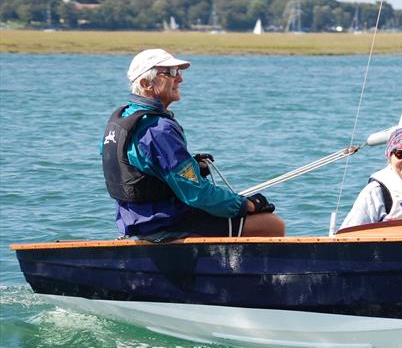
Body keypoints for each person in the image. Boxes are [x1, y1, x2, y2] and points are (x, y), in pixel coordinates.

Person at [101, 48, 284, 241]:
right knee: (271, 225)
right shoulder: (158, 129)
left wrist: (193, 166)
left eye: (179, 72)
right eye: (171, 73)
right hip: (166, 223)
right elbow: (196, 194)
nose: (180, 79)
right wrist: (248, 205)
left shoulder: (123, 118)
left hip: (137, 222)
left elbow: (141, 171)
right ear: (146, 84)